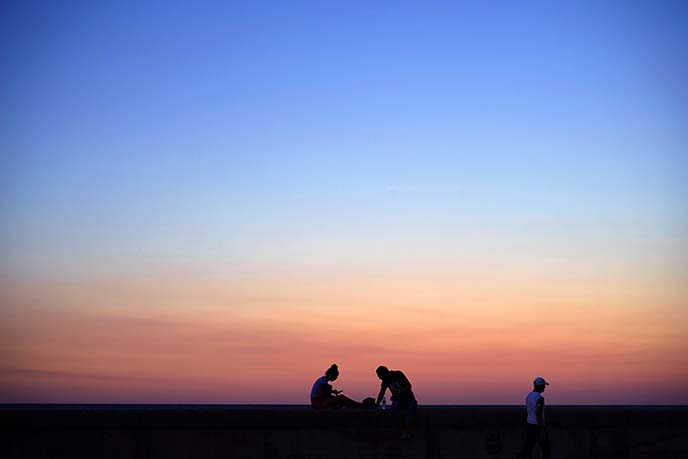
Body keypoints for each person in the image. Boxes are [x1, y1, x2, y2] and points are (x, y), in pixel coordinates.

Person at [375, 365, 417, 438]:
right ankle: (401, 432)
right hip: (398, 402)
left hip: (409, 400)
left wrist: (398, 395)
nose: (379, 378)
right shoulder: (385, 381)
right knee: (395, 413)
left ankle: (407, 432)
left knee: (409, 415)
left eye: (380, 376)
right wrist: (377, 404)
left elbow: (408, 386)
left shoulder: (398, 374)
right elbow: (382, 393)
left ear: (384, 373)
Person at [517, 376, 551, 459]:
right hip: (537, 427)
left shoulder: (528, 396)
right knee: (546, 450)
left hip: (529, 425)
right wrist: (542, 429)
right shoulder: (540, 398)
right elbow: (538, 414)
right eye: (543, 385)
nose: (544, 387)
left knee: (528, 449)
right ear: (539, 386)